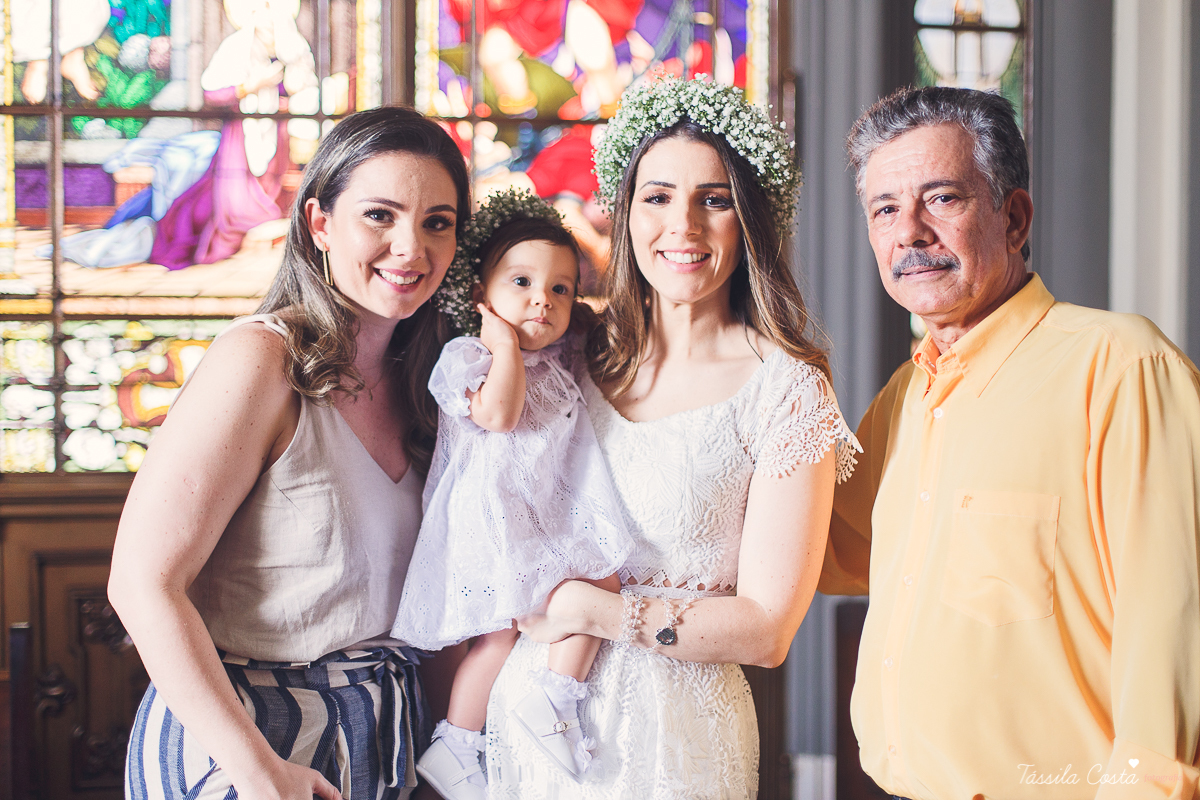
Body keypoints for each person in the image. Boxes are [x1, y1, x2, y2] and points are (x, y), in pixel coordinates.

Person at [485, 76, 861, 799]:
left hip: (679, 742)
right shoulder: (575, 354)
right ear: (625, 215)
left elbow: (767, 630)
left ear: (748, 217)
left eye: (712, 200)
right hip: (534, 719)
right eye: (657, 197)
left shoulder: (785, 389)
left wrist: (597, 612)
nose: (682, 226)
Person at [820, 86, 1200, 800]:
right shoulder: (906, 395)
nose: (910, 233)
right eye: (885, 210)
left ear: (1015, 217)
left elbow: (1173, 637)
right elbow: (824, 548)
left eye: (942, 199)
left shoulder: (1121, 368)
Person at [108, 105, 470, 800]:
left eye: (436, 223)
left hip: (384, 737)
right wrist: (256, 770)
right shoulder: (261, 361)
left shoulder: (435, 387)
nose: (410, 248)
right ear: (319, 224)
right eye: (380, 216)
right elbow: (140, 583)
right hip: (245, 737)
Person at [391, 190, 633, 799]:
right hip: (494, 523)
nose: (541, 301)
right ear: (480, 294)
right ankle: (456, 742)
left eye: (560, 290)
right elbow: (498, 415)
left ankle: (552, 694)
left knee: (599, 585)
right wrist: (501, 344)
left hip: (538, 515)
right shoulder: (469, 356)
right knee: (500, 634)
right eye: (522, 282)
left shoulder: (560, 357)